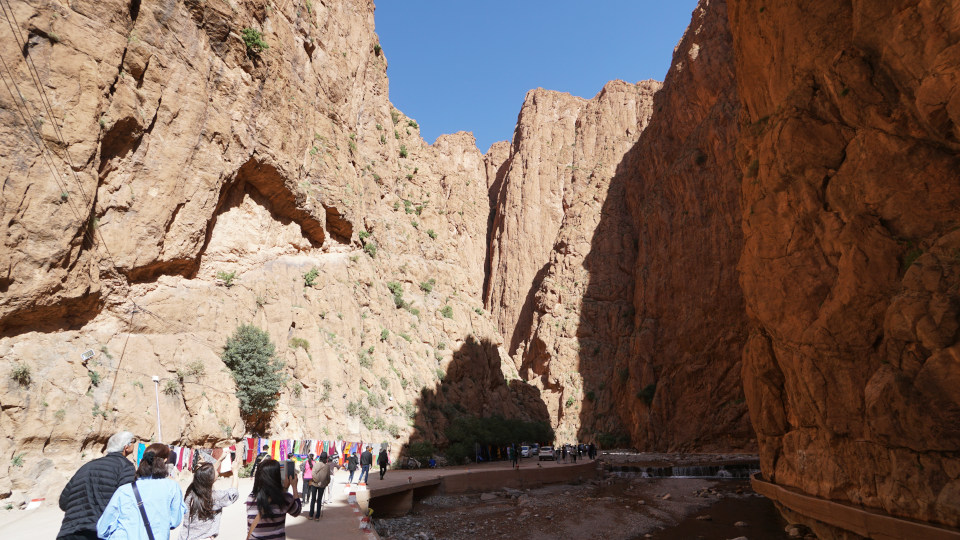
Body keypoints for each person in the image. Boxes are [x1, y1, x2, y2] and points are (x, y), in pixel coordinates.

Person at [57, 431, 137, 540]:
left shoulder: (86, 467)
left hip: (69, 532)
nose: (134, 444)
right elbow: (127, 502)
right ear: (126, 447)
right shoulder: (125, 467)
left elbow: (63, 502)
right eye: (133, 441)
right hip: (99, 532)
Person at [97, 443, 186, 540]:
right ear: (165, 460)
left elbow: (102, 529)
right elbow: (174, 521)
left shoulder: (124, 490)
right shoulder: (172, 487)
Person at [178, 456, 240, 539]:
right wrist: (235, 472)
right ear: (210, 478)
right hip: (204, 537)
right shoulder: (214, 497)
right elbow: (233, 493)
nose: (216, 470)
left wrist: (220, 460)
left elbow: (206, 475)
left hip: (185, 536)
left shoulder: (191, 491)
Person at [245, 459, 301, 539]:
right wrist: (294, 487)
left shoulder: (250, 498)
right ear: (277, 477)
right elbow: (297, 511)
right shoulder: (285, 499)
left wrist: (284, 489)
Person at [307, 454, 331, 519]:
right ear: (325, 459)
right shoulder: (327, 466)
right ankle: (317, 516)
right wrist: (326, 483)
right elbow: (328, 477)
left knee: (313, 499)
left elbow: (313, 473)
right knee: (319, 500)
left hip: (314, 484)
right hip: (322, 485)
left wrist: (317, 481)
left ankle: (311, 515)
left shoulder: (316, 464)